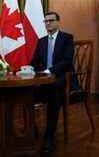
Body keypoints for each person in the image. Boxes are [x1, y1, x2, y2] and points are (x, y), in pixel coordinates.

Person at [31, 11, 74, 153]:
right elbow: (34, 61)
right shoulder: (41, 41)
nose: (48, 23)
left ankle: (49, 136)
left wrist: (50, 70)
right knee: (25, 90)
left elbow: (67, 62)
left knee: (53, 91)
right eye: (46, 21)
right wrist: (27, 69)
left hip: (61, 78)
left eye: (51, 20)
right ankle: (31, 129)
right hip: (44, 80)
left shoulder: (67, 38)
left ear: (58, 22)